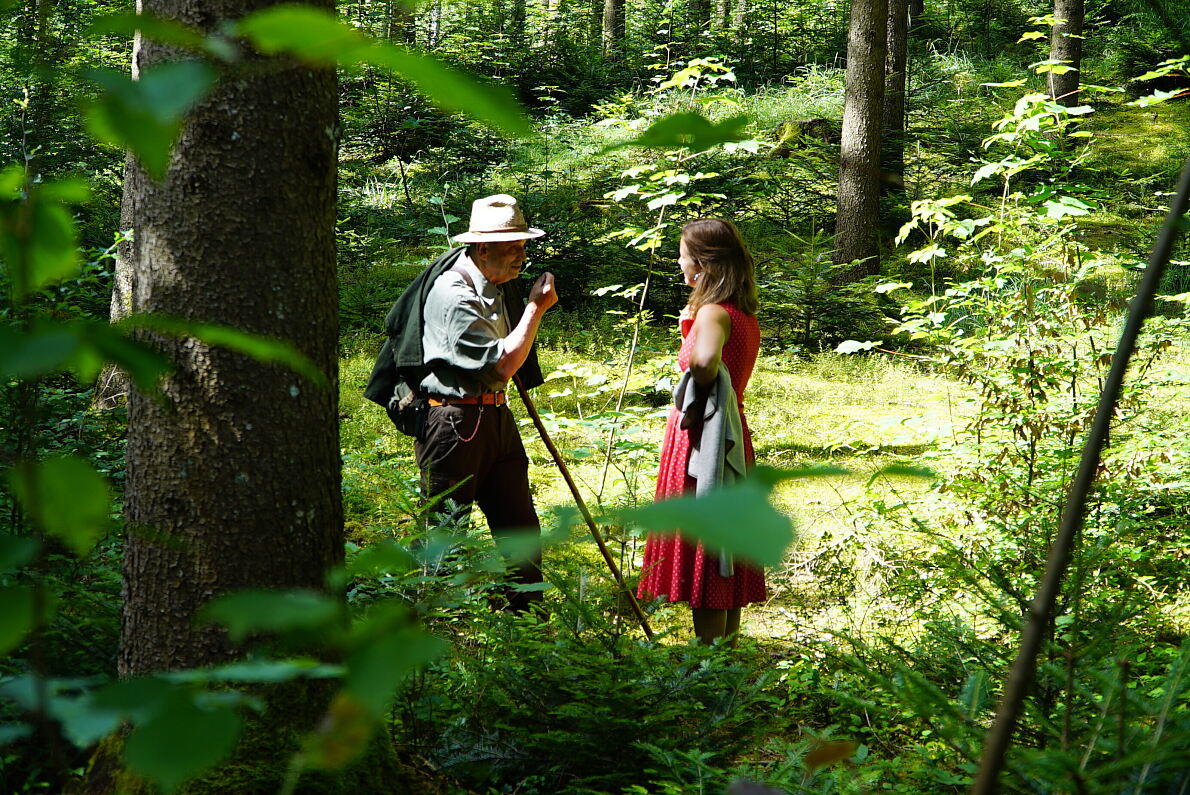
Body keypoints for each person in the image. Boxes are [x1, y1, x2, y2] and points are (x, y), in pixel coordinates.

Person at [365, 194, 558, 611]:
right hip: (454, 424)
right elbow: (502, 364)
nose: (522, 256)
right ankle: (433, 626)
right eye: (514, 247)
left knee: (520, 528)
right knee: (444, 531)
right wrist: (535, 309)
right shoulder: (454, 293)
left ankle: (527, 628)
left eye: (524, 246)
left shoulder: (492, 282)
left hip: (494, 418)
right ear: (482, 247)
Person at [636, 218, 764, 645]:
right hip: (732, 432)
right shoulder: (739, 312)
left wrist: (693, 405)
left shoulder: (713, 312)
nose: (678, 261)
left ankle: (709, 665)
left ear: (703, 264)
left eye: (683, 254)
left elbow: (706, 362)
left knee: (708, 547)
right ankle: (724, 655)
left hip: (703, 440)